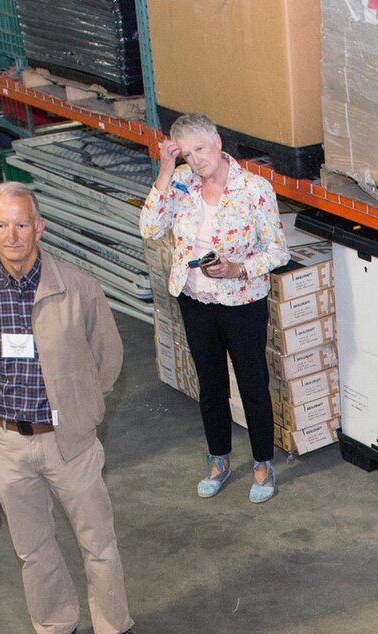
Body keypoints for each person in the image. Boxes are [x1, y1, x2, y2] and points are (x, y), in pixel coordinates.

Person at [0, 184, 140, 634]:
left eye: (21, 224)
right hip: (7, 440)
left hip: (67, 439)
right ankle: (55, 627)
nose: (11, 235)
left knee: (96, 539)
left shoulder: (78, 288)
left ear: (39, 227)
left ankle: (115, 627)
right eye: (0, 225)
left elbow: (109, 357)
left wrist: (81, 413)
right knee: (32, 546)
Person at [138, 114, 292, 504]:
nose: (197, 160)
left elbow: (278, 251)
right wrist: (165, 169)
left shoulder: (255, 190)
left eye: (201, 149)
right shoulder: (180, 184)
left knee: (252, 383)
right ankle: (218, 459)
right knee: (210, 385)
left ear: (218, 142)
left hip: (241, 303)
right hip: (195, 300)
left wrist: (238, 268)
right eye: (187, 154)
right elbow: (150, 228)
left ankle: (262, 462)